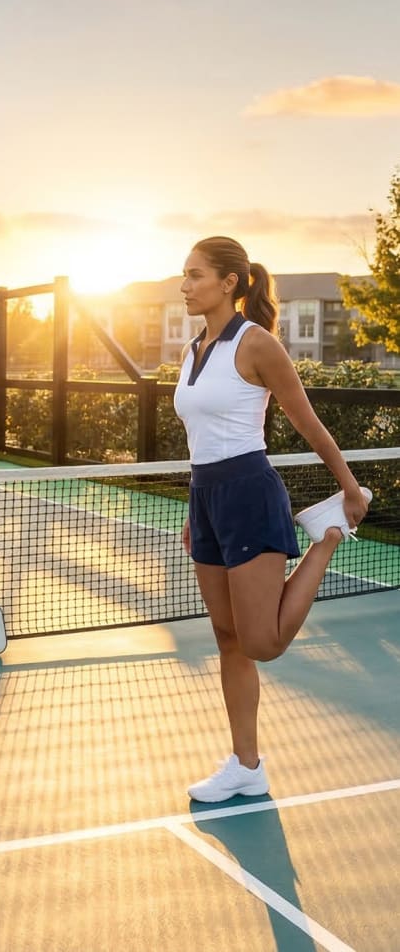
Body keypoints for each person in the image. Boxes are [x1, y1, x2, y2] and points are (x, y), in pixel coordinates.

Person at [173, 236, 371, 803]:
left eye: (195, 275)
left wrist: (349, 487)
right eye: (184, 276)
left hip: (249, 493)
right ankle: (246, 764)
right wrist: (195, 506)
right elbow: (199, 439)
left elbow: (305, 420)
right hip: (207, 498)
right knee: (228, 637)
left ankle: (327, 538)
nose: (185, 286)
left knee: (262, 643)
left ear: (229, 282)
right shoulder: (193, 348)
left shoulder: (256, 344)